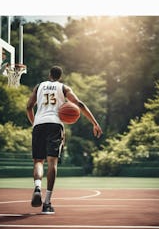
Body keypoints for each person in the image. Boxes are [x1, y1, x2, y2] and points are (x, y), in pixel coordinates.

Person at [26, 66, 102, 214]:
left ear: (49, 75)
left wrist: (35, 123)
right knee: (52, 163)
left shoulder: (39, 86)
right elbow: (79, 104)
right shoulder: (63, 87)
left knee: (38, 162)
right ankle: (47, 203)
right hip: (55, 125)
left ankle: (37, 187)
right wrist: (94, 123)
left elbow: (29, 107)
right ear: (60, 77)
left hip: (39, 125)